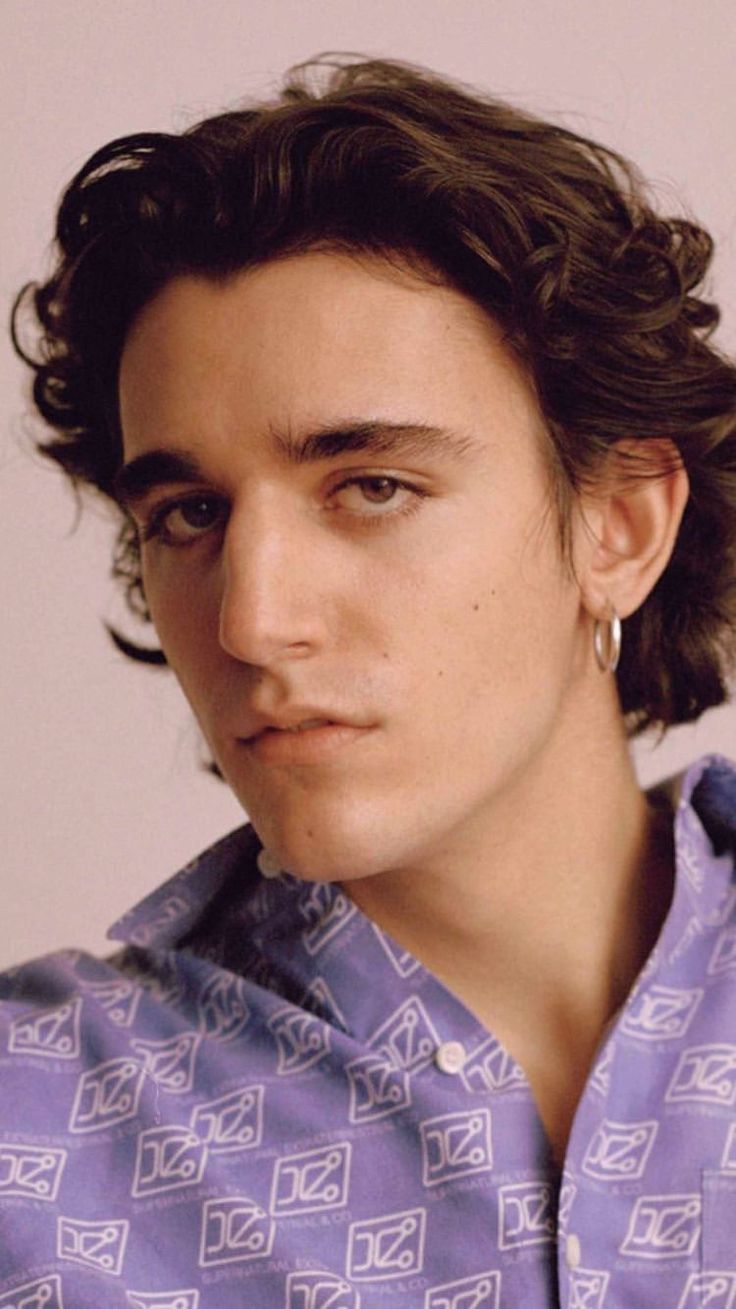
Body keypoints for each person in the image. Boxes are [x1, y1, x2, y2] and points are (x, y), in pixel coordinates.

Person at [3, 54, 735, 1307]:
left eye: (372, 486)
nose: (250, 617)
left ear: (616, 525)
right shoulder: (32, 1127)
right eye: (187, 513)